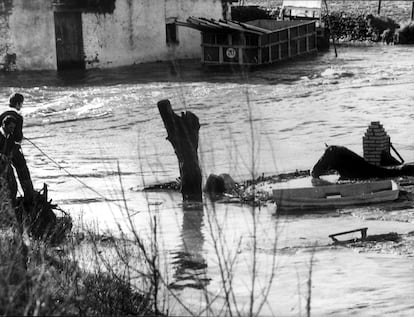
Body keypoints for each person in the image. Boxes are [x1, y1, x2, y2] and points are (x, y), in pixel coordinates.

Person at [0, 93, 33, 205]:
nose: (21, 106)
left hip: (1, 151)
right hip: (11, 149)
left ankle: (9, 201)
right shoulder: (18, 116)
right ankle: (29, 198)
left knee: (7, 177)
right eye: (21, 104)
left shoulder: (1, 112)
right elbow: (18, 137)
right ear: (18, 103)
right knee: (22, 169)